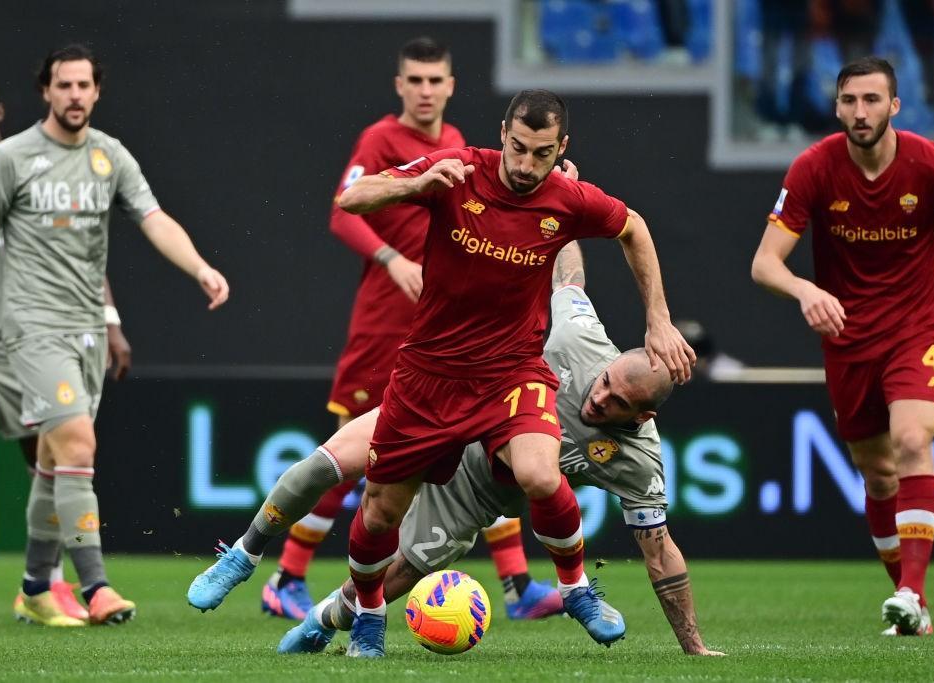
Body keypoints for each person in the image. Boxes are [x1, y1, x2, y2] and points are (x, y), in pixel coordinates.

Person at [190, 90, 694, 658]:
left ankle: (574, 590)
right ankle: (251, 559)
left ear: (563, 149)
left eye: (543, 154)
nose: (528, 166)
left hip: (509, 373)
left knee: (539, 475)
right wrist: (414, 186)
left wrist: (658, 319)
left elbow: (634, 228)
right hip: (431, 374)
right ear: (503, 132)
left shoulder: (566, 198)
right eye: (520, 149)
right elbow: (353, 197)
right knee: (360, 496)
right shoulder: (457, 172)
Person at [276, 241, 724, 657]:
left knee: (401, 572)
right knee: (338, 469)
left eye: (619, 404)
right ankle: (255, 559)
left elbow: (660, 552)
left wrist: (693, 647)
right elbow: (567, 278)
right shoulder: (579, 338)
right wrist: (561, 204)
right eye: (606, 381)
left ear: (643, 418)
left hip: (471, 495)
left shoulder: (639, 461)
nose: (600, 397)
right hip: (451, 422)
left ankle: (322, 619)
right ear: (608, 364)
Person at [265, 37, 560, 624]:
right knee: (351, 456)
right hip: (385, 323)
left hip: (452, 337)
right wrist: (390, 260)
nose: (426, 91)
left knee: (485, 450)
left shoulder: (456, 146)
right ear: (399, 85)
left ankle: (519, 583)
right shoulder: (381, 139)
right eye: (415, 81)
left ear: (452, 86)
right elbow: (341, 211)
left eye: (436, 81)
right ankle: (287, 576)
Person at [0, 45, 229, 626]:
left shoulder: (108, 156)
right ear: (46, 91)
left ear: (96, 91)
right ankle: (96, 587)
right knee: (79, 446)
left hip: (86, 327)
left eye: (84, 86)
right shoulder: (10, 160)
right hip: (32, 327)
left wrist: (199, 268)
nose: (75, 96)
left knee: (51, 457)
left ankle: (37, 586)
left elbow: (154, 219)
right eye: (64, 86)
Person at [751, 56, 934, 636]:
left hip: (918, 328)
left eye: (871, 100)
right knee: (877, 474)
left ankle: (912, 590)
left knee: (912, 439)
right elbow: (764, 264)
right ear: (836, 107)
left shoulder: (932, 164)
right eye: (849, 101)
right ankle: (912, 606)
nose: (859, 112)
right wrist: (804, 288)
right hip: (848, 339)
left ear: (894, 106)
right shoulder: (814, 168)